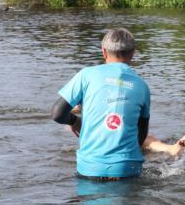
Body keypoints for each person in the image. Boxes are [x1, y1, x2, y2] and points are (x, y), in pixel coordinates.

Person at [51, 28, 151, 180]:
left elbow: (57, 113)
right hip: (127, 169)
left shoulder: (86, 75)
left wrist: (75, 121)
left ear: (103, 51)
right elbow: (141, 134)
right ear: (133, 53)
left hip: (90, 168)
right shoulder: (142, 86)